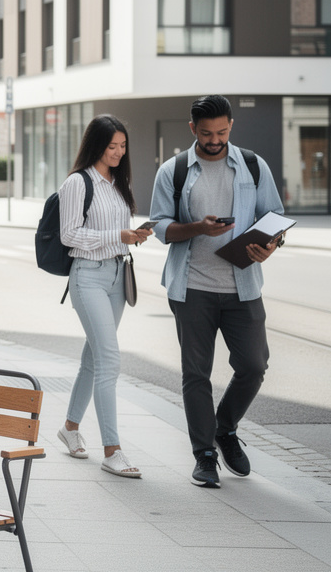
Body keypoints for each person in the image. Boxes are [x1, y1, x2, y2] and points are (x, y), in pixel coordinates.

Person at [149, 95, 284, 488]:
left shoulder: (254, 166)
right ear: (193, 129)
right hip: (192, 287)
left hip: (243, 286)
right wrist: (197, 228)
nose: (214, 139)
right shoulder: (173, 171)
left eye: (222, 132)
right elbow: (160, 226)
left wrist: (269, 247)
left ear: (231, 126)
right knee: (196, 374)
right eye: (207, 133)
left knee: (254, 366)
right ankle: (204, 455)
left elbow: (273, 218)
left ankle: (224, 428)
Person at [54, 115, 151, 479]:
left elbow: (116, 230)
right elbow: (69, 235)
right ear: (96, 145)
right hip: (88, 278)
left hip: (116, 276)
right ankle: (113, 450)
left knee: (94, 359)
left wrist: (133, 236)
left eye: (123, 146)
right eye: (112, 146)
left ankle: (69, 428)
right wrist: (118, 237)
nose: (118, 152)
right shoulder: (78, 183)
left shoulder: (117, 183)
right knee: (110, 359)